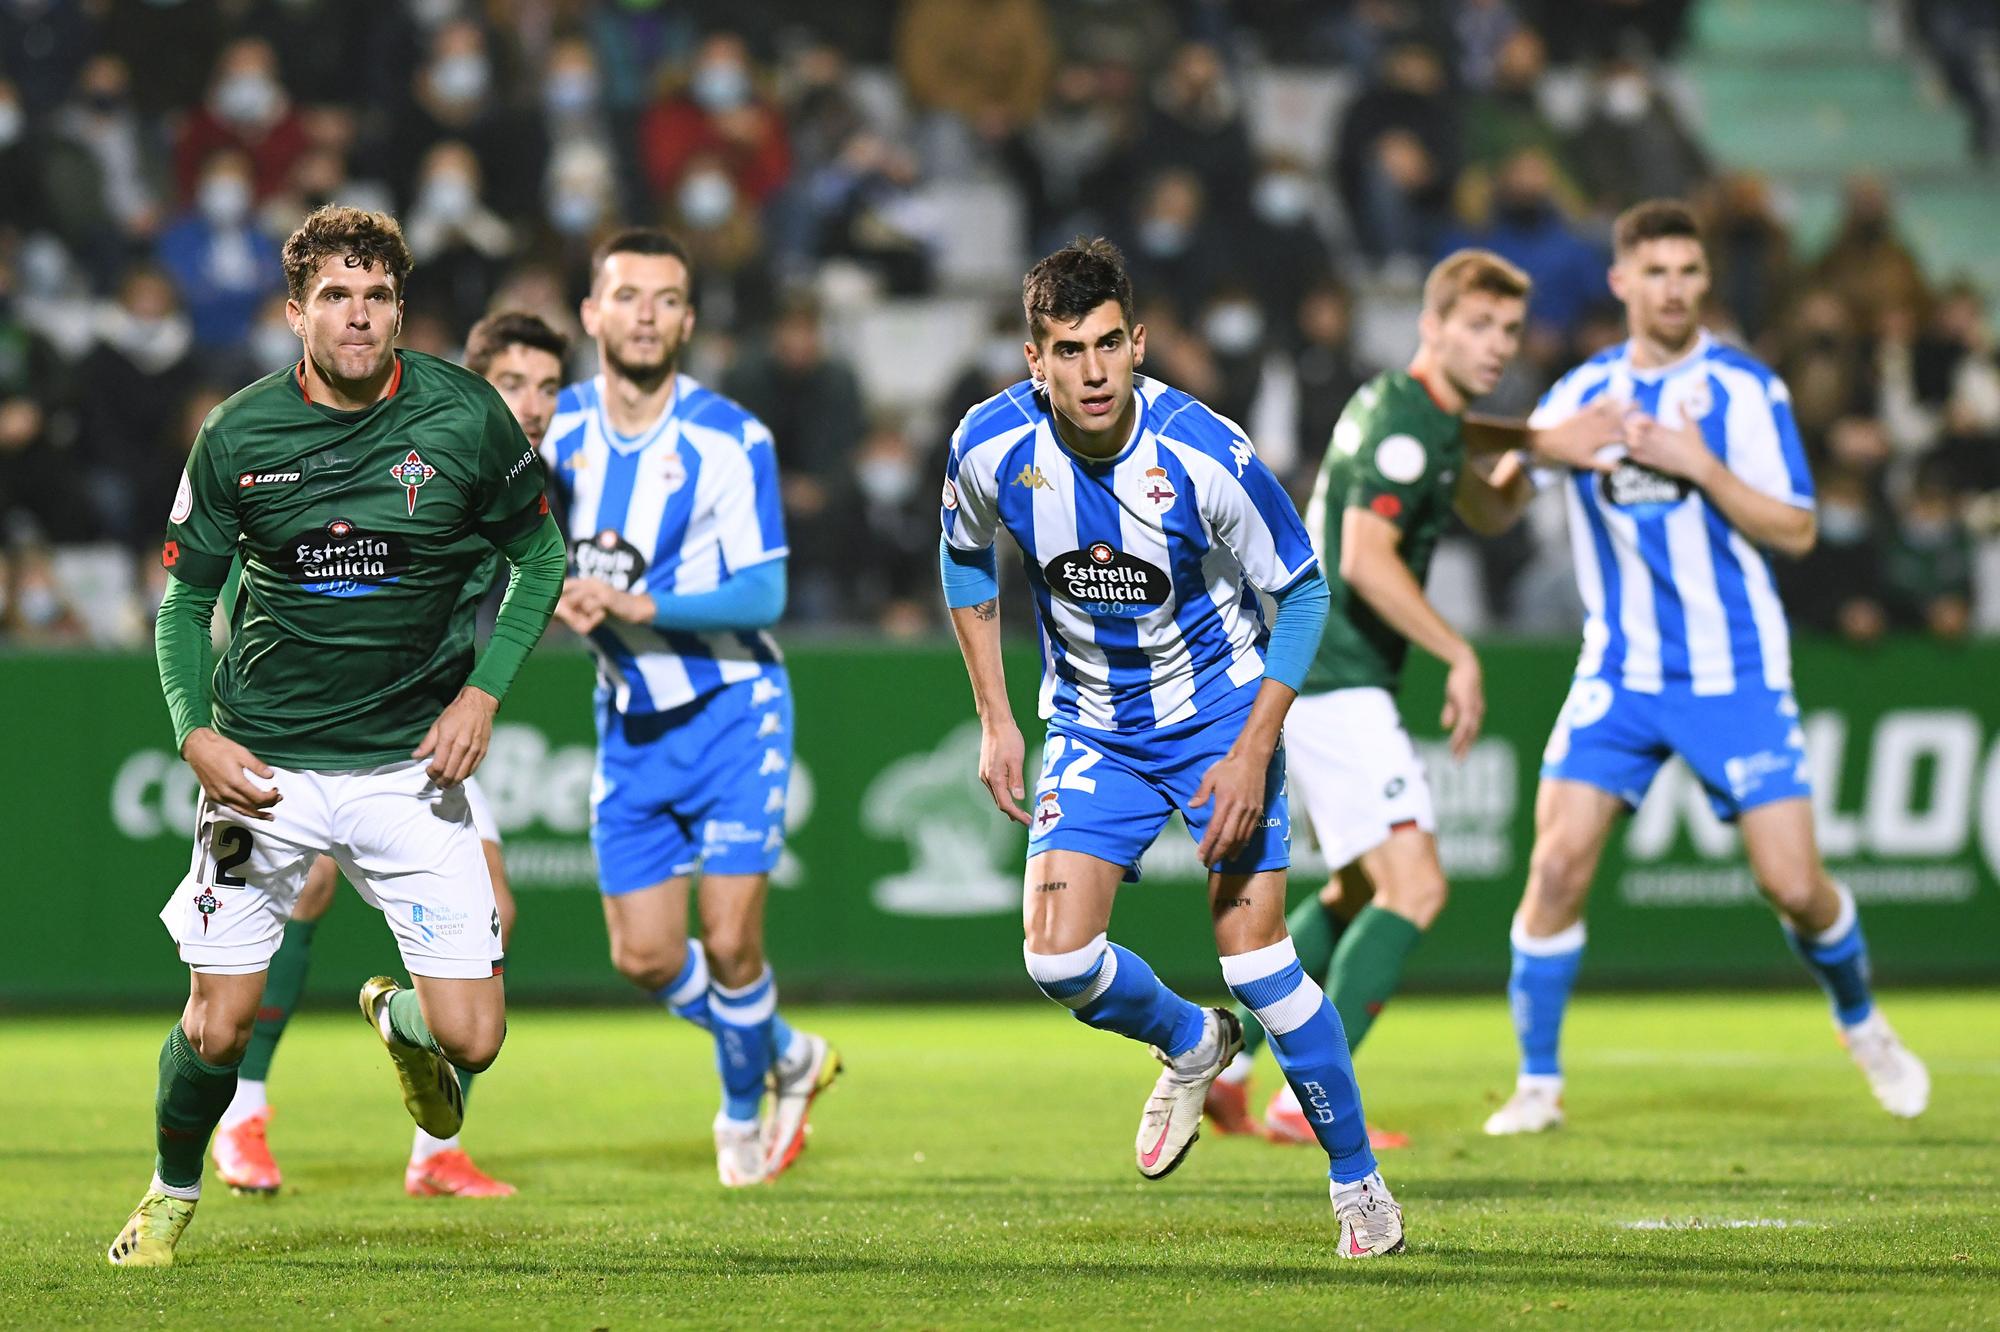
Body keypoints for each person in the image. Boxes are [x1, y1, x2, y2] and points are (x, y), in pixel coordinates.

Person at [108, 205, 566, 1267]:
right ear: (293, 312)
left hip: (409, 769)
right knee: (215, 1023)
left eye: (377, 298)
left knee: (474, 1040)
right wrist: (193, 736)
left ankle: (403, 1019)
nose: (358, 318)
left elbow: (538, 559)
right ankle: (173, 1191)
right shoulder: (237, 434)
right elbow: (182, 605)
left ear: (401, 310)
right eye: (335, 297)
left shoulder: (467, 418)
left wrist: (482, 695)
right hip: (259, 776)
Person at [939, 237, 1404, 1258]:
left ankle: (1356, 1182)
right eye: (1067, 350)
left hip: (1217, 722)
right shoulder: (986, 446)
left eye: (1110, 345)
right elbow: (964, 560)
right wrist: (996, 715)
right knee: (1055, 960)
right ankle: (1191, 1042)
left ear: (1139, 343)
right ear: (1034, 361)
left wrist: (1249, 752)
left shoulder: (1204, 452)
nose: (1093, 370)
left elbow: (1303, 590)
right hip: (1092, 725)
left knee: (1266, 969)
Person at [1484, 200, 1931, 1136]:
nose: (1675, 288)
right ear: (1621, 282)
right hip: (1619, 674)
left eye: (1689, 271)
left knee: (1795, 888)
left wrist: (1701, 465)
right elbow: (1490, 511)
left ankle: (1862, 1021)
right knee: (1558, 862)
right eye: (1656, 272)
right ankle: (1537, 1083)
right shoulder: (1579, 394)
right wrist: (1534, 446)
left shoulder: (1743, 391)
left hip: (1735, 674)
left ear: (1703, 282)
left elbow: (1799, 528)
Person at [1203, 250, 1624, 1144]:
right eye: (1477, 325)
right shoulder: (1407, 421)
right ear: (1430, 325)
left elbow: (1486, 504)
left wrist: (1540, 447)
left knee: (1359, 888)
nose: (1497, 345)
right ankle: (1306, 1102)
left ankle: (1227, 1063)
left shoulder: (1418, 416)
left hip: (1318, 677)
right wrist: (1457, 651)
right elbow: (1364, 556)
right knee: (1417, 887)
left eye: (1509, 330)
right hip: (1337, 678)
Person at [207, 311, 570, 1201]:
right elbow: (246, 561)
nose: (532, 405)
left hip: (416, 733)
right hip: (304, 728)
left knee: (500, 916)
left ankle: (432, 1140)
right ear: (478, 383)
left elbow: (535, 563)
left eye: (552, 388)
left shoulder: (511, 468)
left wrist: (477, 693)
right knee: (304, 889)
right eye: (515, 384)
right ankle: (242, 1113)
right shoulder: (412, 432)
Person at [541, 229, 838, 1189]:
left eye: (667, 299)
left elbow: (762, 594)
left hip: (733, 708)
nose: (645, 315)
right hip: (629, 720)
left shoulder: (730, 437)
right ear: (591, 313)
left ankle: (740, 1115)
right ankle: (788, 1053)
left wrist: (638, 605)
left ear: (689, 321)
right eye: (627, 295)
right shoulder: (554, 433)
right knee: (642, 954)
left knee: (734, 937)